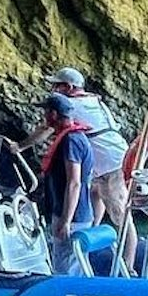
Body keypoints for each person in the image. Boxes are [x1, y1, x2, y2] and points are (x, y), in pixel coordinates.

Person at [18, 67, 130, 235]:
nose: (53, 90)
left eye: (57, 86)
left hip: (110, 163)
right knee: (94, 193)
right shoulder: (94, 100)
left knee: (120, 215)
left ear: (69, 87)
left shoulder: (70, 106)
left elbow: (45, 129)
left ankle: (129, 259)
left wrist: (20, 146)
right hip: (115, 156)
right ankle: (91, 236)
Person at [34, 91, 94, 275]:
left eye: (46, 112)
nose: (44, 116)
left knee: (65, 268)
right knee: (74, 264)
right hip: (76, 212)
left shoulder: (71, 141)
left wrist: (66, 221)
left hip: (72, 216)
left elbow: (74, 183)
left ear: (53, 114)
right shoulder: (76, 137)